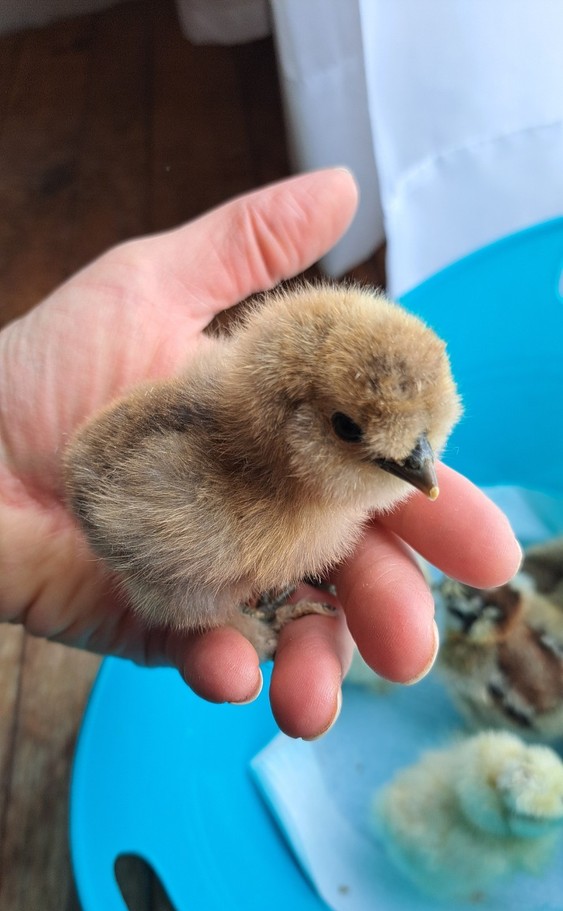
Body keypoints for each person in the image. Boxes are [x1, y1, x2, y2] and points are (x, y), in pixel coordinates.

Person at [0, 168, 521, 740]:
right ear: (287, 419)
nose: (418, 463)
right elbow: (117, 515)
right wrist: (238, 611)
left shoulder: (229, 395)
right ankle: (238, 609)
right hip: (149, 525)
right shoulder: (235, 511)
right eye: (351, 428)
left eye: (422, 437)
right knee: (217, 608)